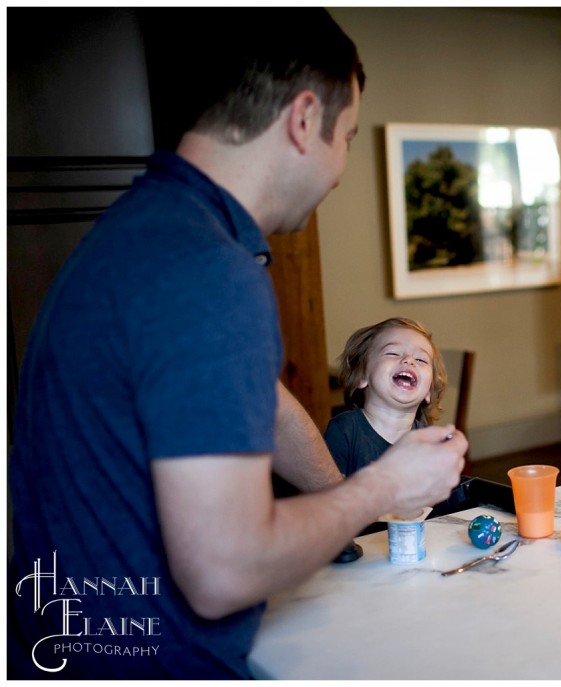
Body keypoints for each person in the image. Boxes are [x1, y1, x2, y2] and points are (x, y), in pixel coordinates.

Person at [8, 9, 465, 679]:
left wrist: (344, 489)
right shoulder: (210, 272)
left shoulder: (145, 230)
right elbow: (224, 570)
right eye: (346, 138)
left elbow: (261, 398)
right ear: (304, 119)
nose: (339, 171)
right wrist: (380, 486)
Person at [325, 317, 448, 477]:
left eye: (420, 359)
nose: (409, 360)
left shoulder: (430, 443)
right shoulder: (343, 432)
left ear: (428, 392)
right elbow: (329, 496)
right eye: (393, 353)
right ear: (362, 375)